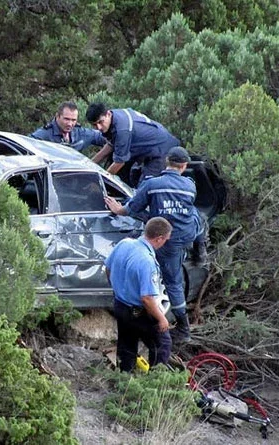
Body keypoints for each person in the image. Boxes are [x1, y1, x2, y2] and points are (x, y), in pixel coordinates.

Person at [104, 146, 207, 344]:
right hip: (187, 233)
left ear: (166, 161)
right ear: (184, 166)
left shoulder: (153, 184)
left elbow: (133, 207)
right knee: (197, 215)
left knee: (173, 282)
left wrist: (118, 209)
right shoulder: (190, 185)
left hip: (167, 239)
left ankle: (184, 330)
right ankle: (200, 250)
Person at [105, 216, 173, 372]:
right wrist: (162, 319)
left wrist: (118, 289)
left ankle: (123, 380)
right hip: (138, 311)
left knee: (127, 345)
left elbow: (108, 269)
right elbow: (147, 298)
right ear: (159, 239)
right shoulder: (146, 261)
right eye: (166, 240)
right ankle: (155, 383)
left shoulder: (124, 244)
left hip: (120, 305)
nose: (165, 243)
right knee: (162, 345)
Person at [85, 103, 181, 187]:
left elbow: (119, 162)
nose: (99, 127)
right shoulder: (113, 117)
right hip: (147, 147)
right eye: (94, 125)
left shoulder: (122, 130)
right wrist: (88, 165)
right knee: (120, 174)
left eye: (100, 122)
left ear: (108, 114)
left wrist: (99, 182)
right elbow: (110, 145)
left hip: (161, 149)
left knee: (146, 187)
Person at [30, 101, 111, 153]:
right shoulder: (44, 135)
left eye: (73, 120)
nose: (70, 124)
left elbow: (103, 138)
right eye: (66, 119)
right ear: (57, 116)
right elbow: (23, 147)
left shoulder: (80, 133)